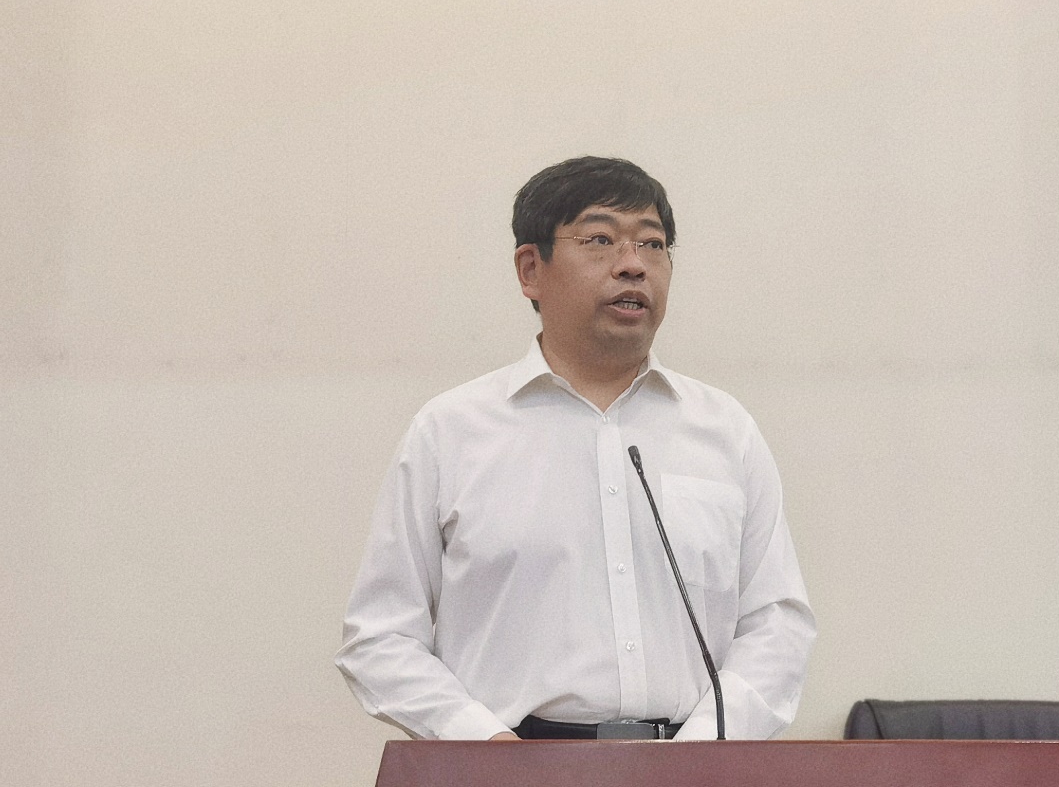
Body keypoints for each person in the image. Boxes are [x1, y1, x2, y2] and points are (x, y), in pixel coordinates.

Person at [335, 156, 815, 741]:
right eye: (600, 240)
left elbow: (777, 624)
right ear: (530, 270)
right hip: (510, 766)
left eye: (653, 244)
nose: (633, 265)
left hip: (695, 765)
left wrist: (700, 752)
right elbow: (380, 637)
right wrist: (483, 745)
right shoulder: (450, 431)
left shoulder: (725, 429)